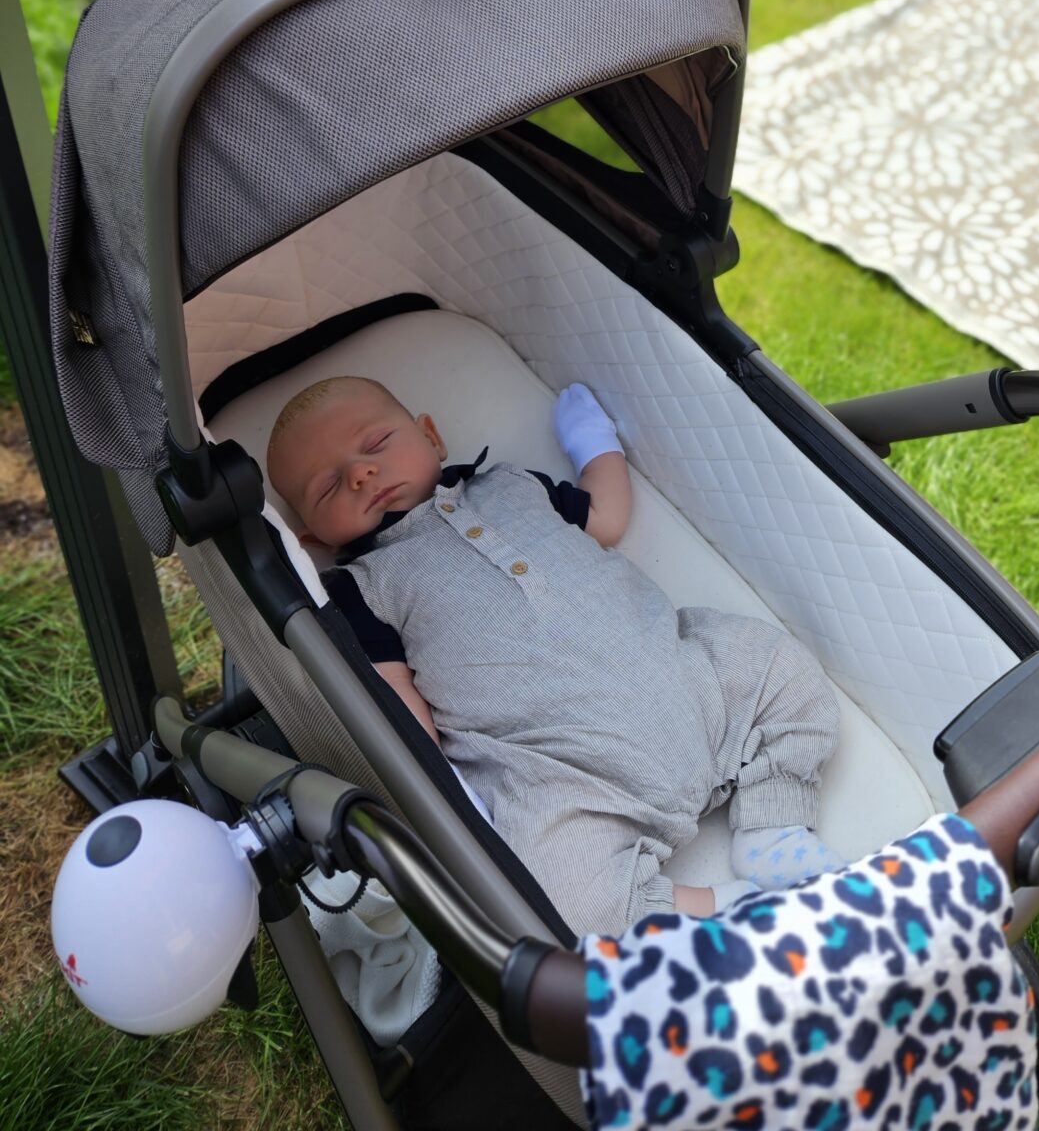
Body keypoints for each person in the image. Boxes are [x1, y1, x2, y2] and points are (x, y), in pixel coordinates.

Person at [267, 375, 843, 935]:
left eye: (376, 445)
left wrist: (595, 447)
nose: (362, 474)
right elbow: (396, 697)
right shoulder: (362, 584)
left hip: (691, 687)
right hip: (562, 774)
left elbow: (607, 517)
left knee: (779, 668)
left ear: (432, 438)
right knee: (554, 901)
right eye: (329, 487)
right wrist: (429, 783)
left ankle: (774, 829)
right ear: (311, 538)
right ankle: (718, 909)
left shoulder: (513, 485)